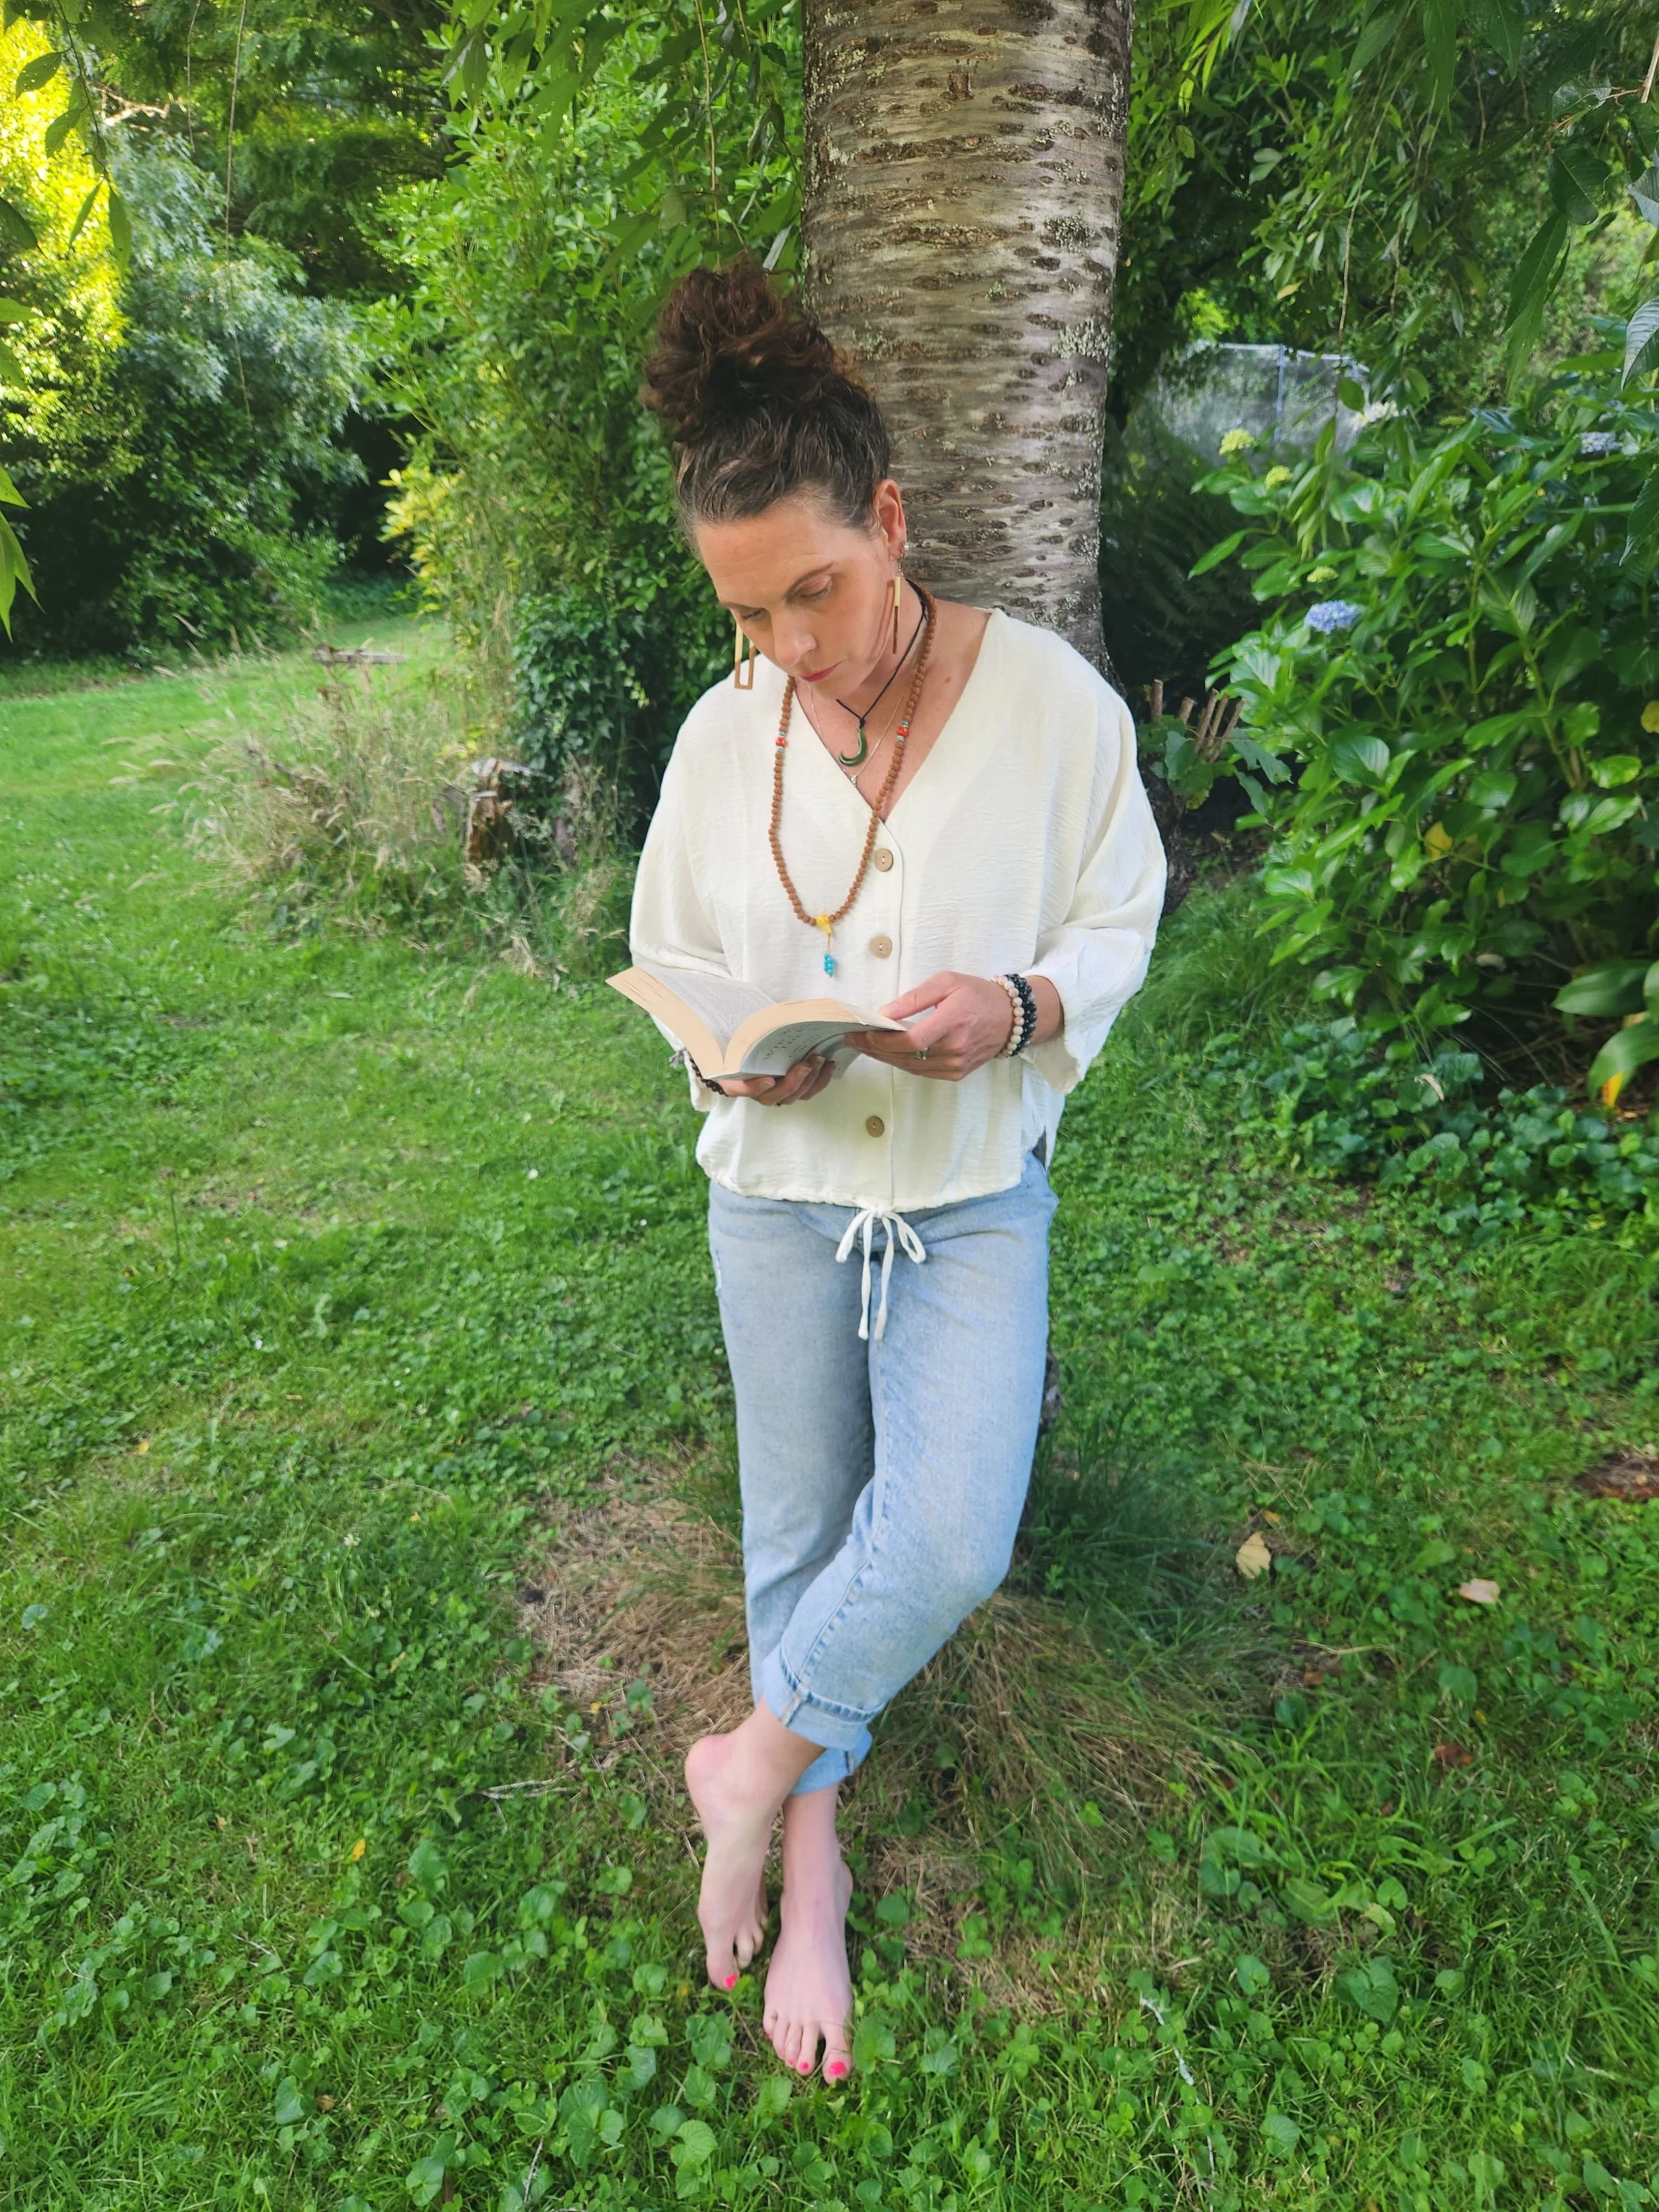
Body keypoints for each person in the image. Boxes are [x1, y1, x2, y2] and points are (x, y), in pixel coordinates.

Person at [630, 256, 1166, 2083]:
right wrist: (727, 1051)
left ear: (889, 517)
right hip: (773, 1202)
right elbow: (667, 943)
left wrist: (1016, 1005)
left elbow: (1120, 912)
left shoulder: (1052, 709)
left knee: (940, 1527)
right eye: (747, 611)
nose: (788, 643)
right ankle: (812, 1872)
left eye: (818, 590)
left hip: (962, 1194)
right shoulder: (723, 739)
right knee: (797, 1543)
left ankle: (749, 1758)